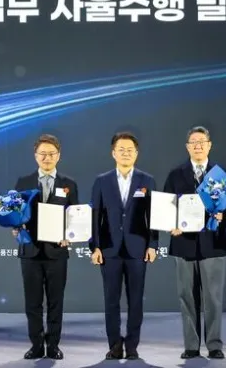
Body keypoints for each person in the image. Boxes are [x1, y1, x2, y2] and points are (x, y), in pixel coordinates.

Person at [164, 126, 226, 359]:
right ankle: (191, 346)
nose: (198, 145)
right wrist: (171, 223)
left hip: (213, 244)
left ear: (209, 145)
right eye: (193, 142)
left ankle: (214, 345)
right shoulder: (176, 175)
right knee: (187, 297)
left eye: (202, 141)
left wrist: (224, 215)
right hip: (184, 244)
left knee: (213, 298)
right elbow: (166, 207)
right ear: (187, 147)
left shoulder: (220, 174)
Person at [89, 131, 158, 360]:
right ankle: (115, 345)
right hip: (109, 249)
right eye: (121, 149)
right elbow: (95, 216)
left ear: (136, 153)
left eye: (130, 150)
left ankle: (132, 345)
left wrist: (153, 244)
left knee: (136, 301)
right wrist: (94, 247)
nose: (126, 153)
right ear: (113, 153)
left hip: (138, 249)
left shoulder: (147, 180)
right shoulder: (102, 181)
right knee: (111, 301)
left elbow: (154, 216)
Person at [12, 134, 79, 360]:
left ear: (58, 156)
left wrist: (70, 235)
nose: (47, 158)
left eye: (51, 154)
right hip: (30, 251)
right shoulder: (23, 183)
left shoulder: (69, 184)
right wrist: (15, 226)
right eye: (43, 154)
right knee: (32, 302)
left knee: (55, 302)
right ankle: (36, 345)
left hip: (57, 252)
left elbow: (75, 217)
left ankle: (53, 345)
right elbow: (16, 213)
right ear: (35, 156)